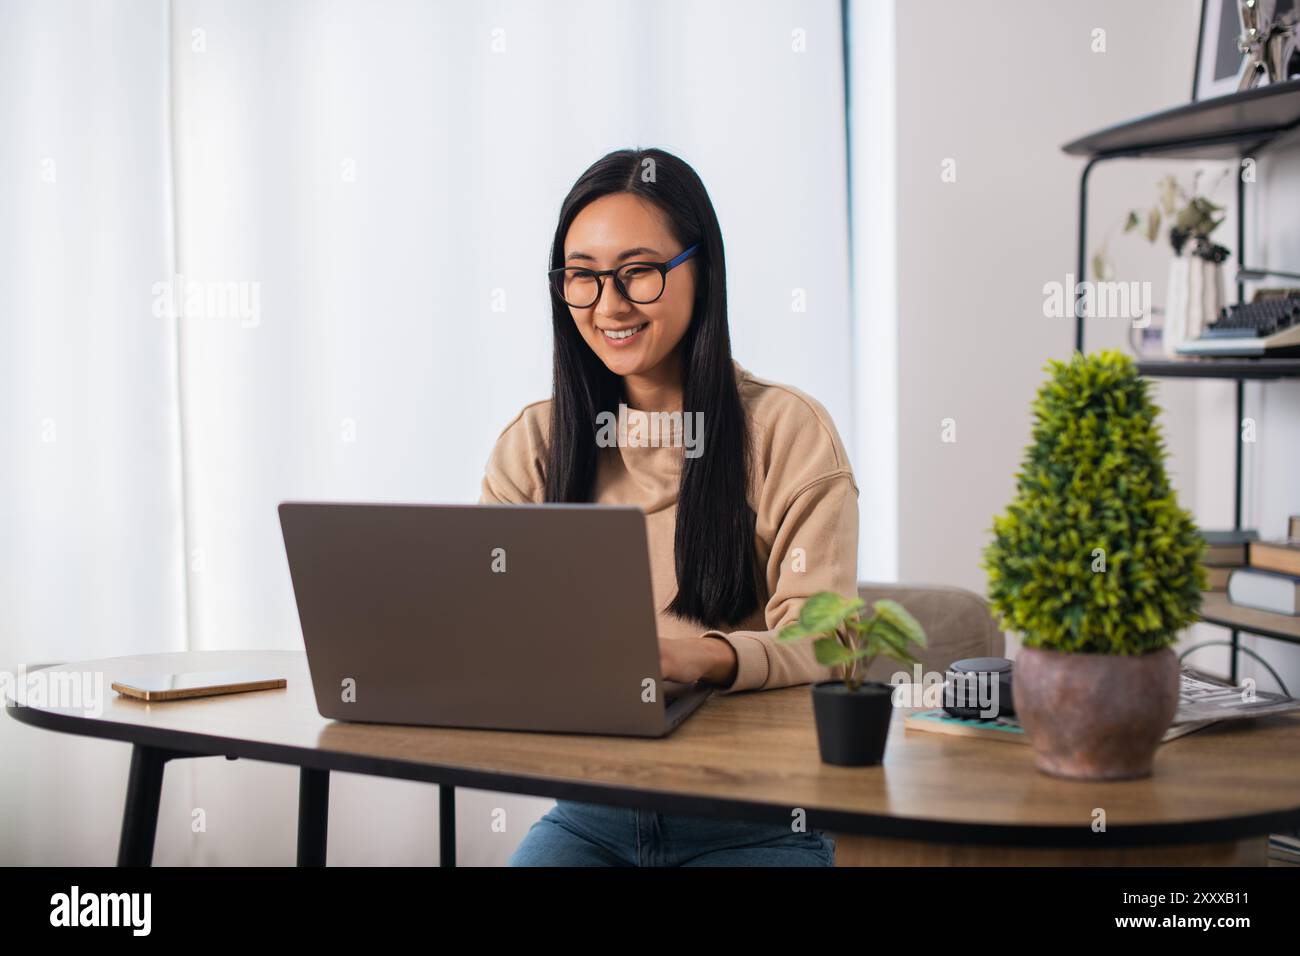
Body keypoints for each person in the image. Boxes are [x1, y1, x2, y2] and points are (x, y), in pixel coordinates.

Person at [480, 147, 858, 866]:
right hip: (588, 815)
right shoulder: (536, 442)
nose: (609, 304)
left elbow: (831, 641)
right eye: (582, 277)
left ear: (702, 269)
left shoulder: (786, 431)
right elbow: (492, 631)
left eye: (639, 272)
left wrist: (701, 657)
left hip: (755, 820)